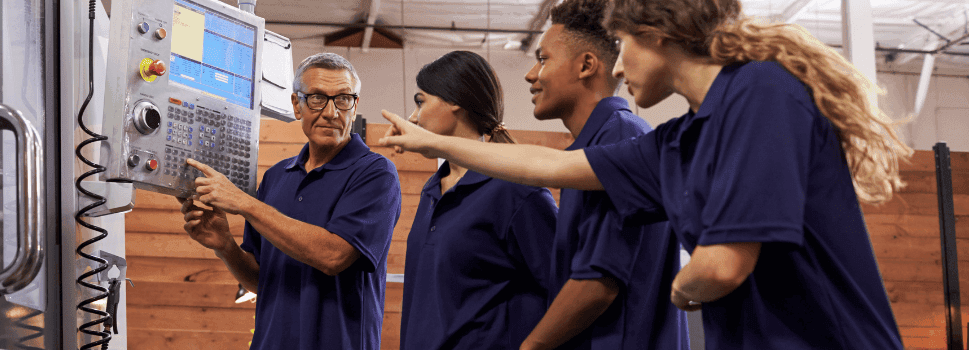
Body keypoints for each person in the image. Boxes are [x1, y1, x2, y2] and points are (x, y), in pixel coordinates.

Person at [377, 0, 912, 347]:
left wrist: (681, 288)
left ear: (655, 33)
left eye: (623, 45)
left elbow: (721, 266)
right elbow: (555, 165)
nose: (616, 65)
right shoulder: (682, 138)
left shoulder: (760, 90)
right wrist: (432, 141)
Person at [181, 52, 402, 350]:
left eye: (343, 99)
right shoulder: (276, 177)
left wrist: (245, 203)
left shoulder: (375, 173)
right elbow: (262, 281)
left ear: (355, 105)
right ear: (296, 106)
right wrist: (226, 246)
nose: (331, 112)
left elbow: (333, 256)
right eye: (317, 98)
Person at [513, 1, 687, 349]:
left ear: (586, 65)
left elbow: (597, 285)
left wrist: (530, 346)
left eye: (543, 58)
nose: (531, 74)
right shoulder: (593, 146)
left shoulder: (620, 137)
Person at [397, 50, 558, 349]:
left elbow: (561, 289)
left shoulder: (516, 190)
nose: (412, 117)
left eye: (421, 102)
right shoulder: (433, 190)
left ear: (455, 100)